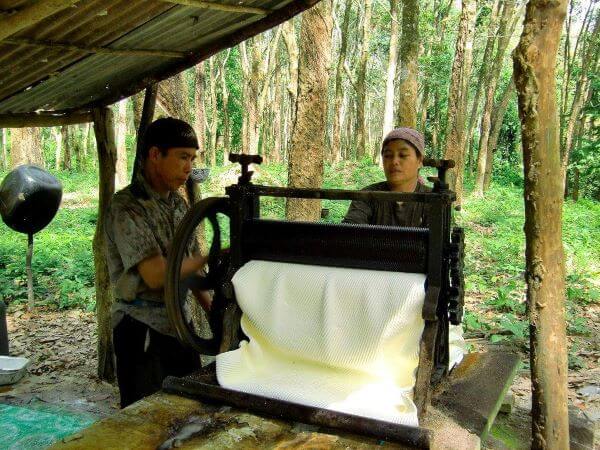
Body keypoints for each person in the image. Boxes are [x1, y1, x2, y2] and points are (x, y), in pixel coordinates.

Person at [104, 117, 208, 408]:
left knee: (189, 409)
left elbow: (188, 265)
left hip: (178, 326)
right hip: (141, 330)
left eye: (192, 159)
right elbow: (156, 276)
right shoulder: (127, 207)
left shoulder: (177, 204)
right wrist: (214, 256)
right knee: (145, 418)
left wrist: (212, 311)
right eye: (182, 157)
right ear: (154, 155)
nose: (189, 168)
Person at [343, 127, 430, 227]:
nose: (394, 162)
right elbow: (350, 230)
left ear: (420, 161)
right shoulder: (367, 196)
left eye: (403, 155)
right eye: (388, 155)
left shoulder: (432, 200)